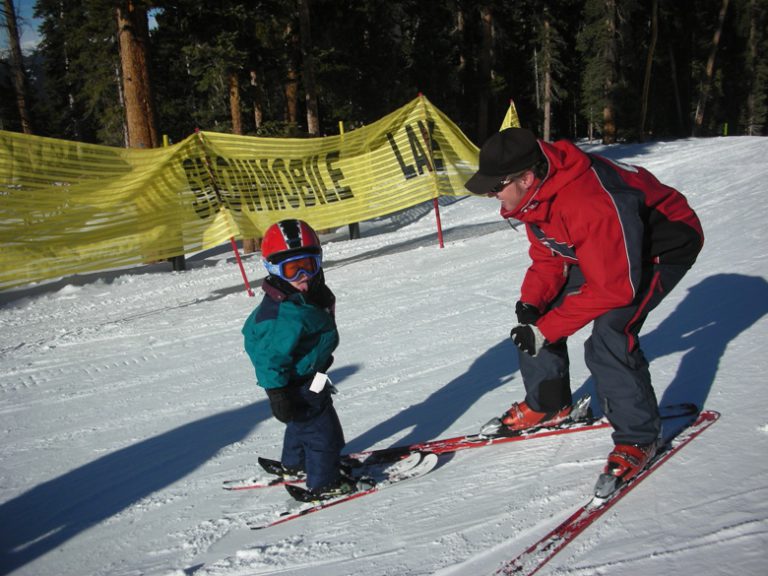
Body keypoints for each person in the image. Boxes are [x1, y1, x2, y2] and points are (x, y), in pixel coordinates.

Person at [464, 128, 703, 490]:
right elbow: (551, 253)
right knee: (539, 318)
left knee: (609, 335)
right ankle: (548, 404)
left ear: (525, 178)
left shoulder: (586, 202)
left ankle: (638, 437)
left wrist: (546, 331)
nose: (492, 197)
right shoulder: (536, 195)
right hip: (604, 247)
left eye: (495, 187)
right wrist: (531, 306)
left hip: (660, 248)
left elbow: (614, 288)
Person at [242, 219, 352, 500]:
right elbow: (269, 358)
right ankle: (324, 482)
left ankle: (296, 463)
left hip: (313, 375)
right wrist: (277, 393)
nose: (303, 275)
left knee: (301, 421)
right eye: (292, 269)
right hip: (298, 383)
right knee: (324, 434)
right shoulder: (283, 316)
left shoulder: (305, 296)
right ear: (274, 270)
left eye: (309, 265)